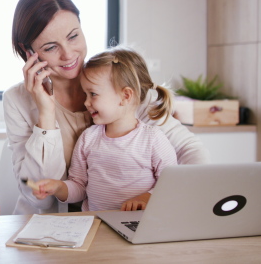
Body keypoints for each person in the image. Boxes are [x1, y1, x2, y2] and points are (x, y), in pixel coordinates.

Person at [3, 0, 209, 215]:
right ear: (29, 52)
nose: (68, 54)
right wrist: (46, 114)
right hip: (54, 228)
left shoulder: (121, 81)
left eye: (73, 36)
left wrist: (182, 197)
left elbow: (187, 149)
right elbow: (39, 200)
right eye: (51, 47)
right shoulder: (17, 101)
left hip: (127, 221)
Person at [32, 47, 178, 211]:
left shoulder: (152, 138)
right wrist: (59, 188)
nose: (86, 102)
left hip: (140, 225)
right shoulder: (88, 138)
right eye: (85, 94)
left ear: (126, 96)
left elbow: (173, 182)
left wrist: (147, 196)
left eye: (93, 94)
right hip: (96, 225)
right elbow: (79, 187)